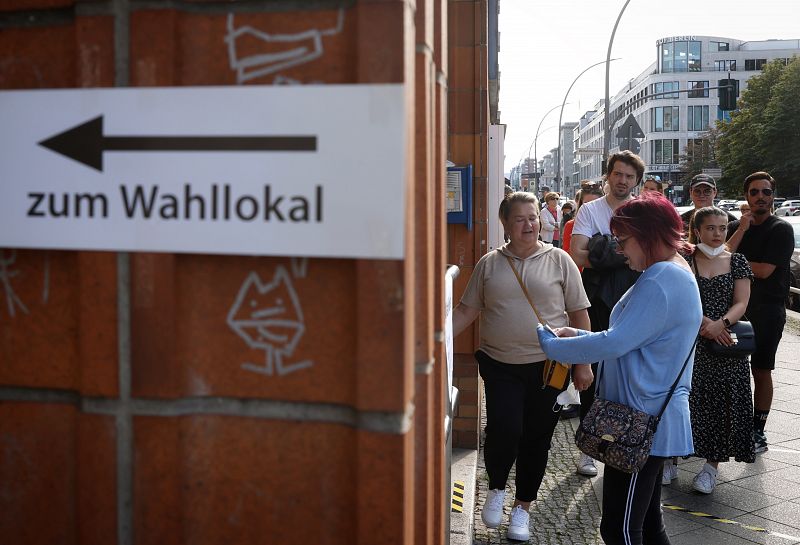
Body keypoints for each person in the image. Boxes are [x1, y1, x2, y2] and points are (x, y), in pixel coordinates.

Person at [538, 192, 702, 545]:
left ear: (647, 235)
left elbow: (616, 343)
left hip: (640, 419)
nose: (619, 249)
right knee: (647, 525)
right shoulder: (669, 271)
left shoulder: (661, 278)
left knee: (621, 528)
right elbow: (630, 337)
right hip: (646, 416)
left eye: (623, 240)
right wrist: (578, 334)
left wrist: (555, 346)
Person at [452, 191, 592, 542]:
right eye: (520, 219)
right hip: (500, 363)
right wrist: (437, 337)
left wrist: (583, 364)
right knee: (504, 427)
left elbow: (579, 315)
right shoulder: (490, 263)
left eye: (533, 217)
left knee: (537, 437)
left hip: (548, 367)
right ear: (506, 224)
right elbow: (467, 310)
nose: (529, 224)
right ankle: (497, 486)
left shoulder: (559, 260)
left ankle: (522, 508)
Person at [568, 151, 644, 477]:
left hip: (636, 294)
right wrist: (618, 252)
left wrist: (603, 247)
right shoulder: (590, 209)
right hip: (597, 296)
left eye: (629, 176)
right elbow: (577, 253)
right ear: (608, 176)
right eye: (618, 174)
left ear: (636, 181)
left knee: (630, 371)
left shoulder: (643, 211)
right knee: (594, 371)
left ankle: (624, 441)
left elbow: (651, 252)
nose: (622, 180)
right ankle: (589, 446)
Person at [682, 206, 754, 494]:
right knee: (685, 399)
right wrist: (705, 323)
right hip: (691, 338)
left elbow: (742, 302)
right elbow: (679, 298)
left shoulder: (736, 261)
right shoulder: (685, 260)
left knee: (724, 402)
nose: (717, 233)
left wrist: (721, 323)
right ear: (698, 230)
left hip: (726, 340)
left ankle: (711, 467)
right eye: (711, 228)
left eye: (722, 228)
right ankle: (672, 457)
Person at [725, 172, 795, 453]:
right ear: (747, 196)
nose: (761, 197)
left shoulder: (781, 229)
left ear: (773, 195)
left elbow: (765, 271)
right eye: (755, 192)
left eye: (766, 192)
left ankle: (758, 430)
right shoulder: (734, 226)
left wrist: (731, 262)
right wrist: (741, 229)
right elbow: (720, 254)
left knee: (761, 369)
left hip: (767, 311)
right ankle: (730, 424)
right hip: (733, 310)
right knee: (729, 368)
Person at [680, 174, 737, 238]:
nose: (701, 195)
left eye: (707, 191)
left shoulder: (729, 219)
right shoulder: (681, 220)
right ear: (690, 192)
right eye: (697, 191)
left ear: (715, 192)